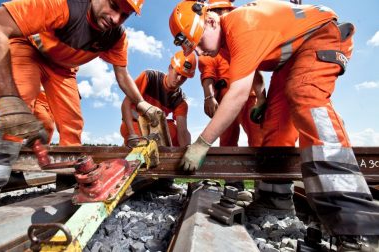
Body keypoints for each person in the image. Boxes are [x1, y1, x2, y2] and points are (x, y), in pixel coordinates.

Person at [169, 1, 379, 250]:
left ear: (212, 21)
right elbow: (252, 72)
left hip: (321, 36)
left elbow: (237, 94)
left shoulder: (240, 24)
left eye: (200, 43)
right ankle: (274, 198)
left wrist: (202, 143)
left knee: (305, 95)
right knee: (275, 125)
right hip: (291, 60)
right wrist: (263, 99)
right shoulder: (226, 42)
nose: (201, 52)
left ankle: (360, 225)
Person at [0, 0, 163, 211]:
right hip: (28, 50)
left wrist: (140, 103)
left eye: (125, 15)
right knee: (14, 112)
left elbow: (123, 74)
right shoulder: (63, 5)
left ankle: (66, 187)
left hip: (64, 69)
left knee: (72, 127)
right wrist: (9, 98)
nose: (115, 18)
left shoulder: (116, 37)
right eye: (113, 5)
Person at [198, 0, 265, 196]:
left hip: (250, 95)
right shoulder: (210, 45)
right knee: (227, 141)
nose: (221, 14)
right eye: (216, 11)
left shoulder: (241, 34)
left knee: (259, 137)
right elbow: (208, 74)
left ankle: (263, 183)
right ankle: (233, 183)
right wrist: (209, 97)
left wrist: (261, 97)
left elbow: (255, 67)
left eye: (223, 10)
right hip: (227, 98)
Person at [120, 50, 195, 148]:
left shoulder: (180, 101)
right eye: (178, 73)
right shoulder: (149, 77)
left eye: (184, 77)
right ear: (170, 68)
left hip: (156, 129)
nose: (179, 79)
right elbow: (126, 104)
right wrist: (132, 134)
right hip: (134, 123)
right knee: (140, 134)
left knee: (174, 131)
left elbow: (183, 130)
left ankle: (169, 156)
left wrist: (188, 148)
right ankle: (131, 143)